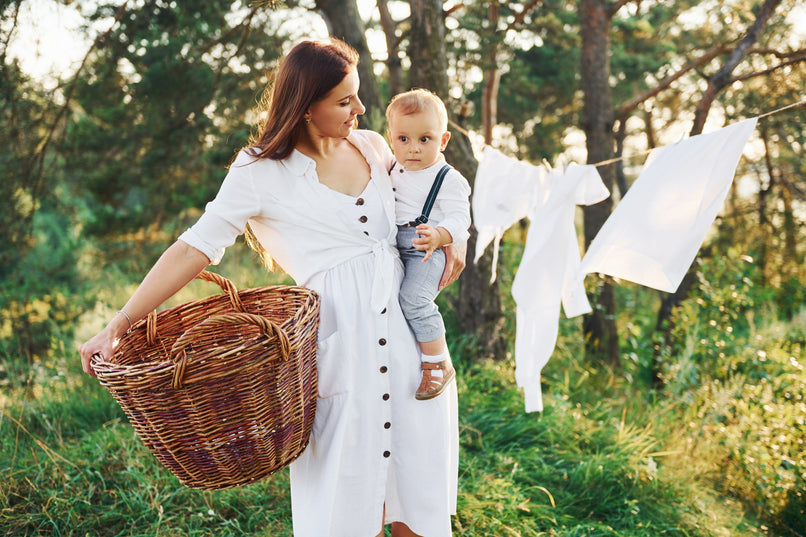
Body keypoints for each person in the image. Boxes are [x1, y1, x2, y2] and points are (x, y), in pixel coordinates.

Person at [78, 38, 465, 537]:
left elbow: (431, 195)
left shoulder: (372, 145)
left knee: (418, 507)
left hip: (413, 349)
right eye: (345, 101)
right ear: (306, 107)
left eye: (358, 96)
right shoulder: (258, 170)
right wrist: (120, 322)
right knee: (344, 511)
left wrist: (454, 240)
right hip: (336, 352)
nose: (360, 109)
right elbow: (195, 246)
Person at [385, 89, 471, 400]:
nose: (414, 149)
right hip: (397, 245)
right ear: (391, 139)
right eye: (403, 139)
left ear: (443, 141)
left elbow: (461, 218)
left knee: (414, 298)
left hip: (427, 249)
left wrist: (440, 236)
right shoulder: (392, 168)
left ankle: (438, 364)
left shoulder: (448, 178)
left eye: (425, 139)